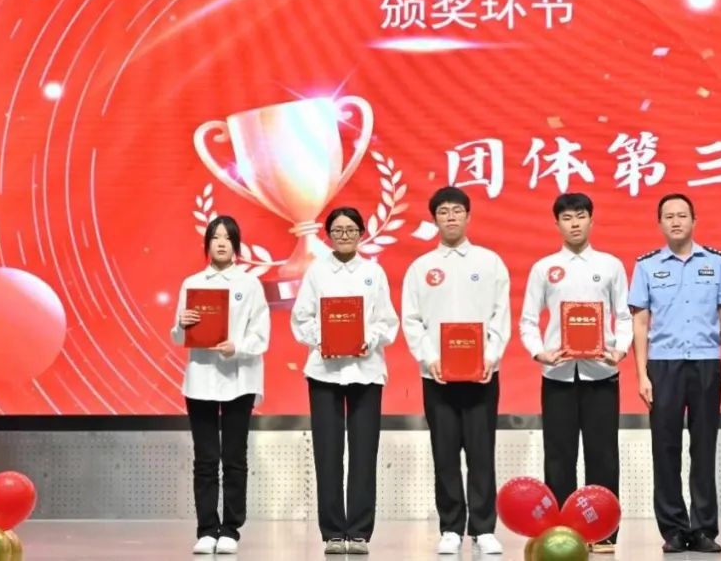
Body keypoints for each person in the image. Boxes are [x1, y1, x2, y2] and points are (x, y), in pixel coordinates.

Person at [519, 193, 631, 554]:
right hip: (558, 376)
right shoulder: (544, 268)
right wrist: (540, 352)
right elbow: (528, 320)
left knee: (603, 456)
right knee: (558, 457)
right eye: (567, 218)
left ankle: (604, 532)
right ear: (557, 224)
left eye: (580, 216)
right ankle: (562, 531)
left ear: (591, 220)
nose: (575, 224)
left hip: (602, 374)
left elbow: (624, 316)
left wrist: (620, 349)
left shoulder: (610, 265)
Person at [401, 186, 511, 555]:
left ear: (468, 216)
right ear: (434, 218)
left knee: (481, 453)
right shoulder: (421, 268)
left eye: (457, 210)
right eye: (443, 211)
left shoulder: (489, 262)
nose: (450, 217)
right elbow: (412, 320)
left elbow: (501, 315)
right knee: (445, 453)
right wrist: (429, 357)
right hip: (437, 376)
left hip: (482, 375)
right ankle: (450, 527)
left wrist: (491, 356)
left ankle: (483, 528)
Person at [629, 194, 721, 554]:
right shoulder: (646, 266)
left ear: (694, 220)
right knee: (666, 448)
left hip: (706, 363)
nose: (675, 221)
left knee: (704, 447)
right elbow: (640, 323)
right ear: (659, 223)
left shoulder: (716, 262)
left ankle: (704, 528)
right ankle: (674, 529)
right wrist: (642, 374)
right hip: (664, 365)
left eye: (682, 215)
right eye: (668, 216)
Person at [291, 207, 400, 556]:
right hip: (324, 372)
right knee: (328, 452)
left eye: (351, 230)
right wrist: (322, 339)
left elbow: (387, 322)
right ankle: (333, 532)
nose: (344, 236)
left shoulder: (373, 272)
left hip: (366, 371)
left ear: (361, 233)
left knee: (364, 453)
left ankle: (360, 532)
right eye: (337, 230)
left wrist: (368, 338)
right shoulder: (316, 272)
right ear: (328, 235)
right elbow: (301, 318)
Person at [171, 215, 271, 555]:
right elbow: (178, 336)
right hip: (200, 379)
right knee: (205, 458)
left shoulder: (250, 284)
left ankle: (230, 529)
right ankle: (206, 529)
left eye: (228, 237)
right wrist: (182, 324)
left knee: (234, 457)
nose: (221, 243)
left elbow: (261, 334)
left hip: (239, 380)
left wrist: (236, 347)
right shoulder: (192, 283)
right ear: (208, 244)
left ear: (236, 245)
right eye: (215, 237)